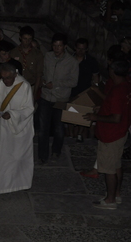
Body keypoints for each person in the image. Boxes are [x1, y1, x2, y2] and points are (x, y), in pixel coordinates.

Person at [83, 60, 131, 209]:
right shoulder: (126, 86)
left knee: (108, 169)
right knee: (116, 166)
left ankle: (109, 200)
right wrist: (103, 107)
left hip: (111, 135)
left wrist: (95, 117)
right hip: (121, 133)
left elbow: (116, 118)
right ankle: (116, 194)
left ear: (112, 71)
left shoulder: (117, 91)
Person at [0, 63, 34, 194]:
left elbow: (29, 108)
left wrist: (12, 114)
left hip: (20, 128)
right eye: (3, 78)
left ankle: (19, 184)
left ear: (15, 75)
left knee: (17, 157)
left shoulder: (24, 87)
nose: (6, 81)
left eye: (8, 78)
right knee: (3, 157)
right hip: (3, 128)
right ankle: (0, 184)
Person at [37, 34, 79, 164]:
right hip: (45, 96)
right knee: (43, 128)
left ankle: (56, 150)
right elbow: (42, 72)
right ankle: (43, 155)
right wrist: (43, 81)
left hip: (61, 98)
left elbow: (74, 81)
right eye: (54, 45)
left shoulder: (72, 62)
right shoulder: (47, 57)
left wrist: (55, 84)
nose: (57, 48)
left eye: (59, 46)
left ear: (65, 46)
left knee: (59, 128)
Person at [70, 38, 100, 143]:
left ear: (86, 49)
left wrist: (95, 90)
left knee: (83, 116)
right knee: (71, 117)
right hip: (71, 92)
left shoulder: (91, 61)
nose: (80, 51)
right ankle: (72, 136)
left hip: (85, 92)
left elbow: (96, 76)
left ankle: (79, 135)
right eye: (78, 49)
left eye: (83, 49)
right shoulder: (69, 59)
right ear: (75, 48)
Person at [10, 26, 44, 100]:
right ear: (20, 38)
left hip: (31, 86)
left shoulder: (37, 54)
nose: (27, 41)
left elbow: (39, 74)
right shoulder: (13, 52)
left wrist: (35, 92)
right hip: (16, 86)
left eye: (29, 39)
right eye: (25, 38)